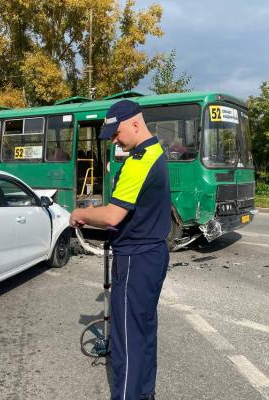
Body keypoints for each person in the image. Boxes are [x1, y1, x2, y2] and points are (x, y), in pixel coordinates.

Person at [70, 100, 171, 400]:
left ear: (136, 124)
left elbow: (113, 215)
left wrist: (81, 214)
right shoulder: (154, 152)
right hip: (150, 254)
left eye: (117, 133)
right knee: (143, 333)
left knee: (126, 339)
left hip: (136, 259)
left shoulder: (140, 161)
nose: (114, 140)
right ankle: (144, 393)